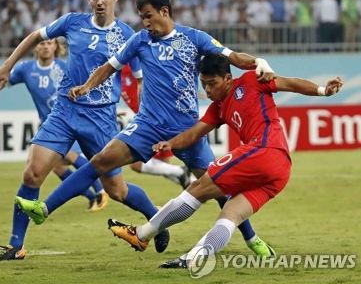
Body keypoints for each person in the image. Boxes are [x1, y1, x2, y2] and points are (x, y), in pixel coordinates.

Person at [16, 0, 278, 257]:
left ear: (164, 11)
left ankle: (252, 238)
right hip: (146, 125)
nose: (146, 23)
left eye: (149, 16)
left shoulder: (193, 38)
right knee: (100, 162)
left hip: (186, 128)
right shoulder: (140, 40)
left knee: (219, 187)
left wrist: (258, 62)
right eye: (142, 18)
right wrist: (86, 86)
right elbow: (109, 67)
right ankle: (44, 209)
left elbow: (233, 56)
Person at [0, 0, 171, 259]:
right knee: (32, 173)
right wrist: (7, 65)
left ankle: (156, 217)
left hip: (101, 120)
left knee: (117, 190)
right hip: (64, 111)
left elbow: (140, 80)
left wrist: (145, 115)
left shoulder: (127, 36)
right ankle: (16, 245)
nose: (99, 2)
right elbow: (35, 36)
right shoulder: (73, 22)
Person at [109, 54, 343, 269]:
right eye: (204, 84)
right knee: (231, 213)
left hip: (264, 149)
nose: (208, 90)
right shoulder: (218, 108)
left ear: (228, 78)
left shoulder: (252, 80)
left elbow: (289, 84)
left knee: (197, 188)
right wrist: (171, 143)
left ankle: (141, 235)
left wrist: (324, 90)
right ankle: (194, 259)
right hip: (280, 171)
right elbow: (194, 133)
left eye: (212, 83)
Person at [0, 39, 109, 261]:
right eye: (41, 44)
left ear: (56, 47)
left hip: (73, 123)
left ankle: (100, 191)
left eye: (49, 43)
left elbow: (93, 82)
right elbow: (4, 80)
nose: (45, 47)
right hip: (50, 127)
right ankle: (90, 195)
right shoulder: (26, 69)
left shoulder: (66, 67)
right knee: (46, 170)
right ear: (36, 48)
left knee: (70, 158)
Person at [120, 64, 191, 189]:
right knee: (164, 164)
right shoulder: (117, 71)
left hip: (156, 121)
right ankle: (191, 184)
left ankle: (183, 173)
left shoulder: (136, 65)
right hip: (155, 120)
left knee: (136, 164)